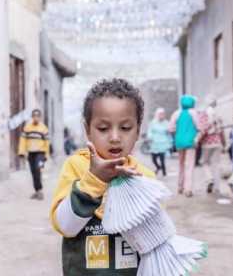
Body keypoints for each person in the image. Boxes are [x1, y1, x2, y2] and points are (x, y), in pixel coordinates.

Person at [49, 78, 154, 275]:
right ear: (87, 129)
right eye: (103, 128)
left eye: (125, 128)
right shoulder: (77, 167)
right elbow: (66, 227)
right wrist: (94, 181)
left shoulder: (145, 177)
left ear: (138, 130)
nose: (115, 137)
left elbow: (153, 242)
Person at [169, 95, 202, 197]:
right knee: (189, 165)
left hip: (179, 142)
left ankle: (180, 187)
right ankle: (188, 189)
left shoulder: (176, 113)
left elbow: (171, 128)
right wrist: (197, 139)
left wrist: (176, 137)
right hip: (191, 142)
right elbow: (200, 127)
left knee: (181, 164)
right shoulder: (194, 113)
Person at [18, 109, 50, 200]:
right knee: (33, 172)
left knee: (38, 169)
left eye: (37, 116)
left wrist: (46, 155)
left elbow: (47, 142)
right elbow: (23, 140)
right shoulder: (27, 128)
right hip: (31, 153)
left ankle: (40, 191)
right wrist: (21, 152)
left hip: (40, 153)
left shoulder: (43, 128)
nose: (36, 117)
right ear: (32, 117)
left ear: (40, 117)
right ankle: (37, 191)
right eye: (34, 116)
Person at [197, 100, 226, 195]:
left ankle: (209, 179)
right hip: (218, 142)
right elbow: (222, 130)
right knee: (216, 165)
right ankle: (217, 188)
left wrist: (197, 140)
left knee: (204, 162)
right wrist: (224, 143)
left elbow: (203, 129)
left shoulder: (204, 114)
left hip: (207, 143)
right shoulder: (218, 115)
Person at [147, 108, 172, 177]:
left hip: (163, 143)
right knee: (153, 158)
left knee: (162, 159)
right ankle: (158, 167)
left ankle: (164, 172)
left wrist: (170, 141)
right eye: (160, 114)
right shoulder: (153, 122)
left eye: (163, 114)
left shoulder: (166, 123)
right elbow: (150, 131)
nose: (161, 115)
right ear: (157, 114)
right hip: (154, 143)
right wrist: (150, 137)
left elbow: (169, 133)